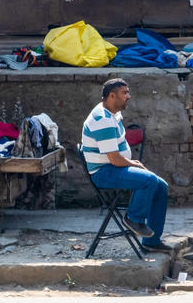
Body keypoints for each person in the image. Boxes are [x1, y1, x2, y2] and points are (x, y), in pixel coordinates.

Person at [81, 78, 171, 253]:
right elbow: (114, 159)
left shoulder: (113, 114)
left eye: (128, 92)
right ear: (112, 96)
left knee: (162, 187)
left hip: (114, 167)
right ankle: (133, 218)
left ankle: (151, 242)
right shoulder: (102, 118)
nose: (129, 96)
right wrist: (134, 163)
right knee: (149, 181)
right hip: (104, 172)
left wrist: (132, 163)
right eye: (125, 93)